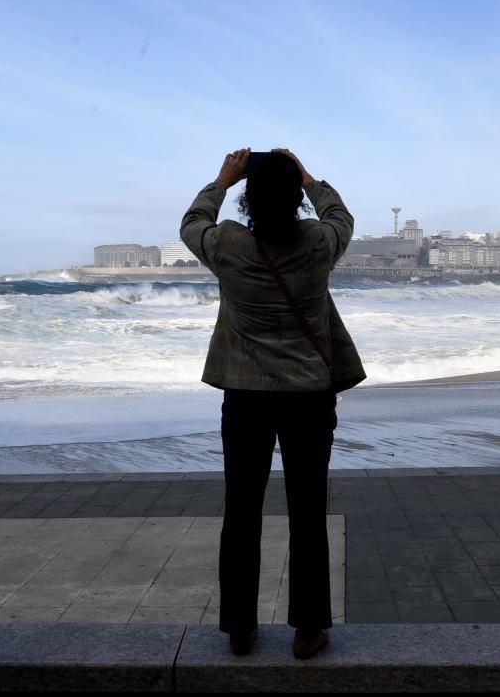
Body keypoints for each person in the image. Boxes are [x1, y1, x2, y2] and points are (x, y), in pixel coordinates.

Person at [179, 147, 365, 659]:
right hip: (308, 398)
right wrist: (308, 177)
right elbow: (340, 215)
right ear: (295, 196)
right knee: (308, 512)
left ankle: (240, 628)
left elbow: (192, 221)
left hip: (246, 398)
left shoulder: (228, 245)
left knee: (242, 511)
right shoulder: (317, 244)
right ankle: (308, 630)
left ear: (248, 196)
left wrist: (221, 179)